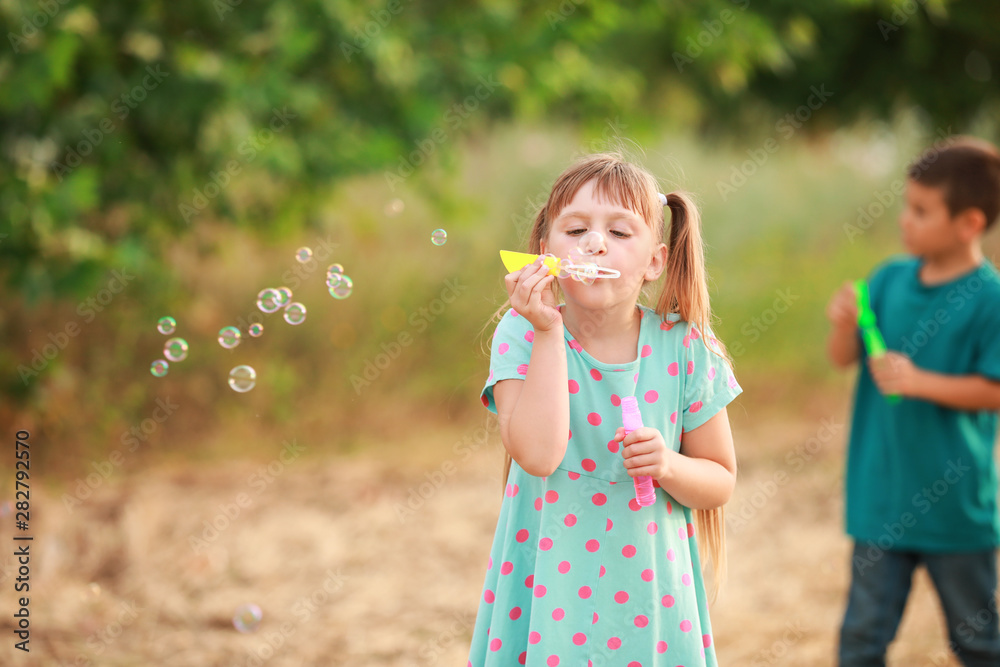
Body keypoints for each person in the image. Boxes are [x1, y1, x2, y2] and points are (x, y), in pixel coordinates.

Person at [467, 152, 742, 666]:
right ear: (544, 251)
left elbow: (720, 480)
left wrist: (667, 465)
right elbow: (540, 456)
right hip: (548, 585)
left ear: (654, 262)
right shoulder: (522, 335)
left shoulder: (685, 347)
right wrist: (547, 330)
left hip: (650, 594)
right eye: (575, 230)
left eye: (619, 233)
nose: (595, 243)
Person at [826, 137, 1000, 666]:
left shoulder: (990, 298)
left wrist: (920, 381)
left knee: (978, 643)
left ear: (969, 223)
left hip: (956, 510)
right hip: (880, 502)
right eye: (907, 205)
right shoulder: (889, 279)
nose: (906, 220)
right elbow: (843, 357)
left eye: (922, 211)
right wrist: (841, 323)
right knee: (860, 643)